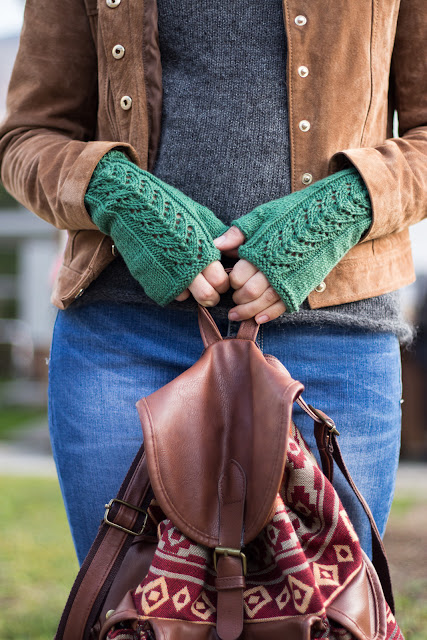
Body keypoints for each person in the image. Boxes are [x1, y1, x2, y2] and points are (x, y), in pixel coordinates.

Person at [0, 0, 426, 566]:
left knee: (323, 616)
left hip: (333, 338)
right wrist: (120, 196)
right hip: (122, 337)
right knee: (132, 614)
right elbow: (29, 137)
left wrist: (338, 209)